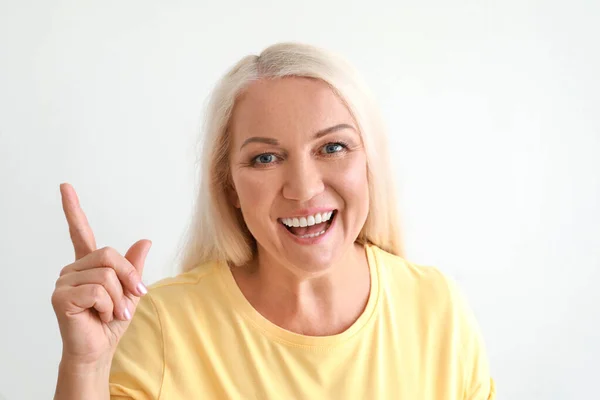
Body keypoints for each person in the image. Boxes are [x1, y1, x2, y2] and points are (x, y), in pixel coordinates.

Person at [52, 42, 496, 399]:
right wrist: (86, 366)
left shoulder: (437, 308)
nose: (303, 188)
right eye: (266, 158)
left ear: (369, 164)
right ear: (230, 188)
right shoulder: (163, 324)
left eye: (333, 147)